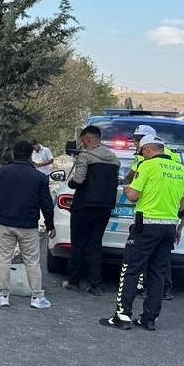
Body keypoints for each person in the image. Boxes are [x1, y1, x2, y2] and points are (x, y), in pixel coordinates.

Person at [101, 135, 184, 331]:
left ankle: (122, 316)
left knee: (131, 269)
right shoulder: (182, 171)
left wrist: (126, 187)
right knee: (158, 273)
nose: (142, 155)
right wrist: (179, 228)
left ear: (148, 149)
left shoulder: (147, 166)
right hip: (169, 228)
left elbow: (133, 196)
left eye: (142, 151)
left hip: (146, 227)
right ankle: (149, 318)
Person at [0, 140, 55, 309]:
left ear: (13, 153)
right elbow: (46, 204)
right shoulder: (39, 177)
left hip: (4, 223)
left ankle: (2, 295)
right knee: (32, 261)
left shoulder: (0, 173)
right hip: (28, 225)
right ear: (30, 155)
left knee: (3, 259)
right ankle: (37, 297)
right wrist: (50, 225)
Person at [63, 126, 120, 295]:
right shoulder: (114, 159)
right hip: (105, 207)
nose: (82, 145)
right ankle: (96, 284)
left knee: (78, 244)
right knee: (95, 245)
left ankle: (74, 281)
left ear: (88, 139)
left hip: (84, 206)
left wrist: (71, 183)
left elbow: (79, 180)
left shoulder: (85, 156)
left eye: (83, 141)